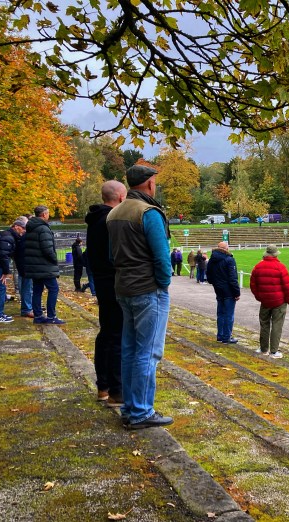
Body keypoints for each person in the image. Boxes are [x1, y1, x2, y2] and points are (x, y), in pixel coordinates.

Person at [107, 165, 173, 429]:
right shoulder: (149, 213)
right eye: (154, 181)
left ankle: (130, 407)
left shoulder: (114, 213)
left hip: (123, 288)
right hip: (148, 290)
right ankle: (141, 412)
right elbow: (161, 257)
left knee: (130, 349)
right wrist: (163, 284)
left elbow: (112, 256)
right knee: (149, 352)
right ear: (148, 184)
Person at [86, 180, 127, 405]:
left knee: (107, 334)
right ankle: (115, 389)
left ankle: (103, 386)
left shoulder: (96, 219)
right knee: (116, 336)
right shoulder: (109, 221)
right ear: (121, 198)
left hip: (103, 282)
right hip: (112, 283)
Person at [250, 245, 289, 358]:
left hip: (265, 301)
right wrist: (288, 299)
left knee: (264, 324)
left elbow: (253, 285)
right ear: (275, 254)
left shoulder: (258, 266)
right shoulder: (280, 267)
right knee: (277, 325)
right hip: (279, 301)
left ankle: (264, 349)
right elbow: (287, 286)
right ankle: (274, 351)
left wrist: (259, 297)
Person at [25, 206, 64, 324]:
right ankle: (51, 316)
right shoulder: (43, 228)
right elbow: (47, 249)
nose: (49, 216)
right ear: (44, 215)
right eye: (48, 213)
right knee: (53, 289)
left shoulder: (31, 227)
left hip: (35, 265)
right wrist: (54, 260)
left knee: (37, 290)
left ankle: (38, 316)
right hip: (45, 265)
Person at [206, 241, 241, 344]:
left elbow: (209, 275)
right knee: (229, 314)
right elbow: (233, 278)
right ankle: (226, 336)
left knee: (221, 313)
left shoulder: (212, 259)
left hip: (218, 289)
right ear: (226, 248)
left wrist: (215, 284)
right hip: (228, 290)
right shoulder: (229, 260)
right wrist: (237, 292)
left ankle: (220, 335)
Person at [11, 216, 33, 318]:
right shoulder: (24, 238)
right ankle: (27, 309)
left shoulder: (20, 237)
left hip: (24, 266)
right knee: (27, 288)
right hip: (26, 267)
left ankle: (28, 307)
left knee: (26, 287)